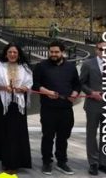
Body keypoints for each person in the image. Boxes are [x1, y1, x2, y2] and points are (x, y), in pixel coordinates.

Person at [32, 40, 80, 175]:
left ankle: (62, 162)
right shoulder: (41, 66)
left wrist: (75, 93)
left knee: (63, 137)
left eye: (56, 52)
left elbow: (77, 84)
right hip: (48, 108)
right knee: (48, 136)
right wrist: (47, 92)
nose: (53, 54)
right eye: (51, 52)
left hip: (66, 108)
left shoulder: (71, 67)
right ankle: (47, 162)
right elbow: (35, 85)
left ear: (62, 52)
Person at [0, 43, 33, 174]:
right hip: (3, 103)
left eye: (15, 52)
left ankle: (16, 162)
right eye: (10, 52)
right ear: (6, 53)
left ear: (18, 54)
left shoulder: (24, 67)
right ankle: (5, 161)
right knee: (3, 131)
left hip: (18, 104)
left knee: (16, 133)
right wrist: (3, 87)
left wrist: (24, 88)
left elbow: (29, 83)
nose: (12, 54)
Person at [80, 41, 106, 176]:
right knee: (91, 134)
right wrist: (91, 93)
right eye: (101, 49)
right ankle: (93, 163)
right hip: (92, 105)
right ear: (96, 50)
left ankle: (103, 163)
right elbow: (81, 83)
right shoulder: (88, 64)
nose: (104, 51)